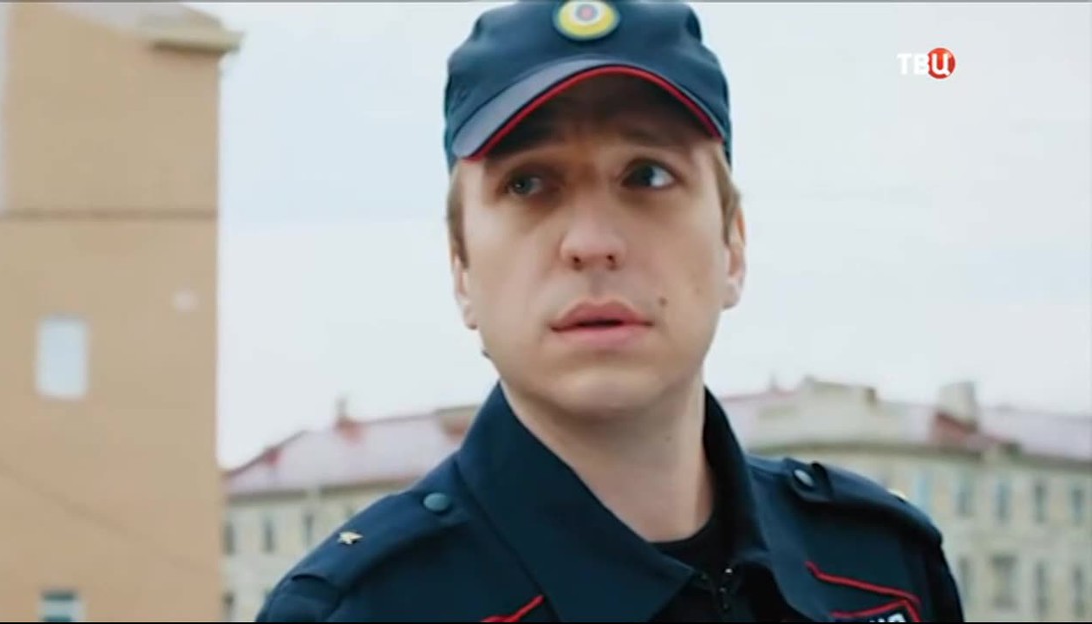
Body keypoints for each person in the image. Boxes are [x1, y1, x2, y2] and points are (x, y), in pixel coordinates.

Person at [257, 0, 966, 621]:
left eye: (647, 175)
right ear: (461, 269)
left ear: (733, 248)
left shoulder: (879, 573)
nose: (592, 243)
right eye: (527, 183)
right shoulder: (368, 610)